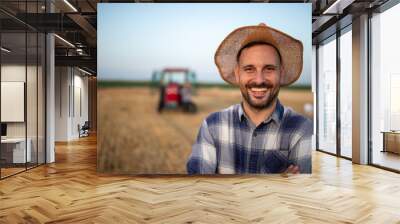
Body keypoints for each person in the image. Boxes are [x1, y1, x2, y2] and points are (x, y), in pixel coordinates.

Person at [186, 23, 312, 174]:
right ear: (238, 73)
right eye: (249, 69)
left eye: (269, 69)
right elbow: (199, 190)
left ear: (281, 73)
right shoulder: (213, 126)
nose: (259, 80)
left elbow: (302, 195)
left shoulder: (302, 130)